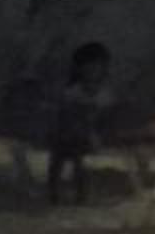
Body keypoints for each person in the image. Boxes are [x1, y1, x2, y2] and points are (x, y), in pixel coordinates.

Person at [46, 40, 109, 206]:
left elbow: (105, 118)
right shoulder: (72, 92)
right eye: (89, 67)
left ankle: (78, 193)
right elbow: (64, 114)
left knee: (75, 155)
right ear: (80, 69)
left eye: (97, 67)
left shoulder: (104, 94)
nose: (93, 72)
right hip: (72, 136)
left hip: (91, 136)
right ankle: (55, 191)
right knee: (61, 153)